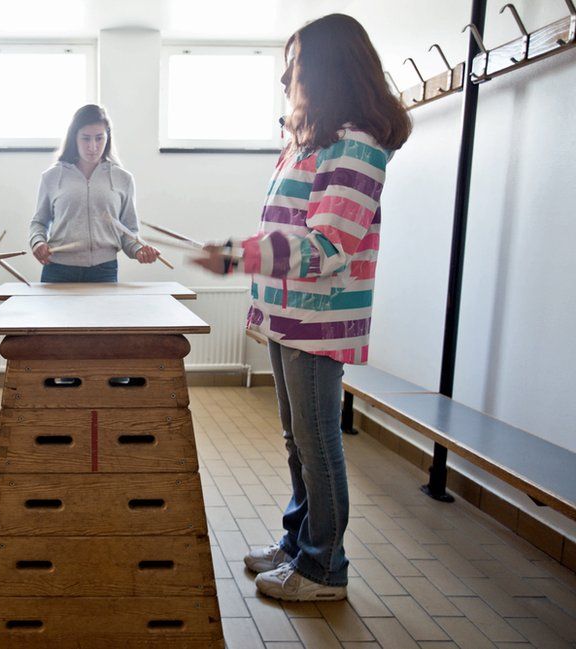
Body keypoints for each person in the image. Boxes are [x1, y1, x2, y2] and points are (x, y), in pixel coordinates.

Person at [194, 14, 411, 602]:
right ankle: (299, 542)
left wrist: (239, 258)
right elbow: (289, 227)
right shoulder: (311, 141)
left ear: (326, 70)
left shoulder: (357, 146)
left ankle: (323, 569)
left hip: (320, 322)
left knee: (317, 443)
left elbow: (328, 247)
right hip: (292, 317)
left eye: (294, 68)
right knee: (298, 439)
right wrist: (241, 256)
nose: (286, 79)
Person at [28, 104, 158, 282]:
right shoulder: (51, 176)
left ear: (108, 137)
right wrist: (38, 242)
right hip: (58, 270)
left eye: (99, 138)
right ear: (74, 138)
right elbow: (39, 222)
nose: (93, 146)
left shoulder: (123, 179)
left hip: (104, 270)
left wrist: (139, 250)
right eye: (85, 138)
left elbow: (129, 233)